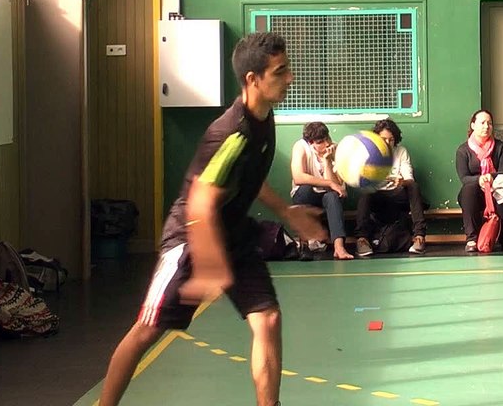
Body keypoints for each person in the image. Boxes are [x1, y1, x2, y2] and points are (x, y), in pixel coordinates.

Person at [98, 32, 326, 406]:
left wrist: (285, 211)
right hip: (190, 236)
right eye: (280, 72)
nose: (290, 79)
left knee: (267, 319)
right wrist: (209, 266)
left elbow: (248, 178)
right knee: (146, 331)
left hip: (234, 234)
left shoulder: (264, 117)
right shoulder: (232, 133)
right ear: (253, 80)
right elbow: (201, 204)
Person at [354, 119, 428, 256]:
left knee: (413, 186)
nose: (387, 143)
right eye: (383, 139)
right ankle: (362, 239)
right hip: (377, 197)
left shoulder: (401, 152)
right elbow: (362, 181)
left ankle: (419, 237)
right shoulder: (367, 154)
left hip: (398, 196)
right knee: (366, 192)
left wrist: (402, 182)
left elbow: (408, 178)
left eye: (391, 140)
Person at [289, 121, 353, 260]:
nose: (326, 144)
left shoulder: (336, 152)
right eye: (320, 142)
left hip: (326, 198)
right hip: (306, 196)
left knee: (333, 197)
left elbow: (339, 189)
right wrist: (329, 183)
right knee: (305, 189)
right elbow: (298, 177)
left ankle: (339, 247)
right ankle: (304, 244)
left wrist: (328, 162)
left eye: (327, 139)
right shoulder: (301, 146)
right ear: (311, 143)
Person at [455, 109, 503, 253]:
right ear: (473, 125)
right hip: (475, 190)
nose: (486, 126)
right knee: (468, 190)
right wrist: (480, 179)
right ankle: (472, 239)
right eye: (482, 123)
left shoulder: (501, 147)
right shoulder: (463, 150)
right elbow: (464, 178)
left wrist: (492, 177)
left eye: (489, 123)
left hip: (496, 187)